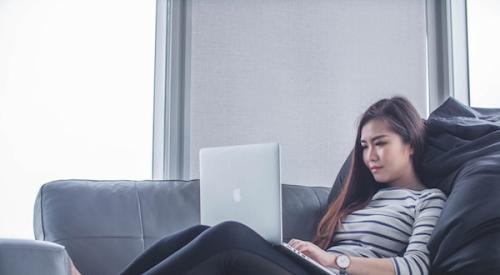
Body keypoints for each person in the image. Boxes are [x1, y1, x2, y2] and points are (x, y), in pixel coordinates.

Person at [118, 96, 447, 275]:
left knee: (230, 235)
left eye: (380, 143)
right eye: (363, 146)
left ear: (411, 144)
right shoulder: (363, 199)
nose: (368, 155)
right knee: (201, 231)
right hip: (317, 269)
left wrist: (335, 261)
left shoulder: (427, 200)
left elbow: (416, 267)